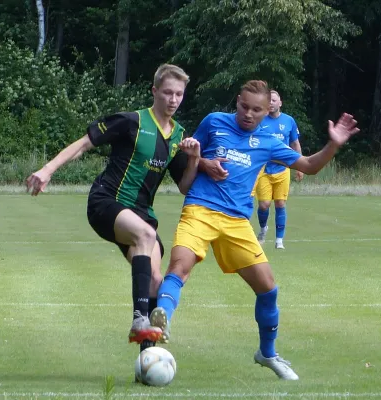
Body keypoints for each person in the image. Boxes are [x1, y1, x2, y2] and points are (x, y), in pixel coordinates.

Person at [149, 80, 359, 380]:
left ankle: (267, 353)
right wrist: (203, 160)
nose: (248, 114)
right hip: (200, 209)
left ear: (267, 110)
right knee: (180, 267)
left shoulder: (271, 142)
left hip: (236, 222)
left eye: (256, 110)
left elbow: (309, 166)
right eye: (244, 106)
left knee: (268, 288)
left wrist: (334, 144)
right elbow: (187, 156)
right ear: (237, 101)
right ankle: (162, 323)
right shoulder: (213, 122)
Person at [26, 64, 201, 353]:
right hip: (106, 202)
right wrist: (47, 170)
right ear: (154, 91)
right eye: (167, 92)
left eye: (179, 94)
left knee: (156, 281)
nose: (173, 99)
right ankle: (139, 319)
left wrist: (193, 160)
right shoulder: (131, 121)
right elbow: (83, 145)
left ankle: (148, 357)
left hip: (142, 213)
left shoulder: (178, 136)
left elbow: (184, 186)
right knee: (146, 236)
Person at [255, 90, 303, 249]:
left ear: (280, 103)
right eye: (268, 100)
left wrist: (300, 166)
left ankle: (279, 241)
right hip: (264, 170)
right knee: (264, 205)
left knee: (281, 203)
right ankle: (263, 229)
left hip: (283, 169)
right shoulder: (261, 120)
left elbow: (295, 144)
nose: (271, 103)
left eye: (274, 100)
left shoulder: (289, 121)